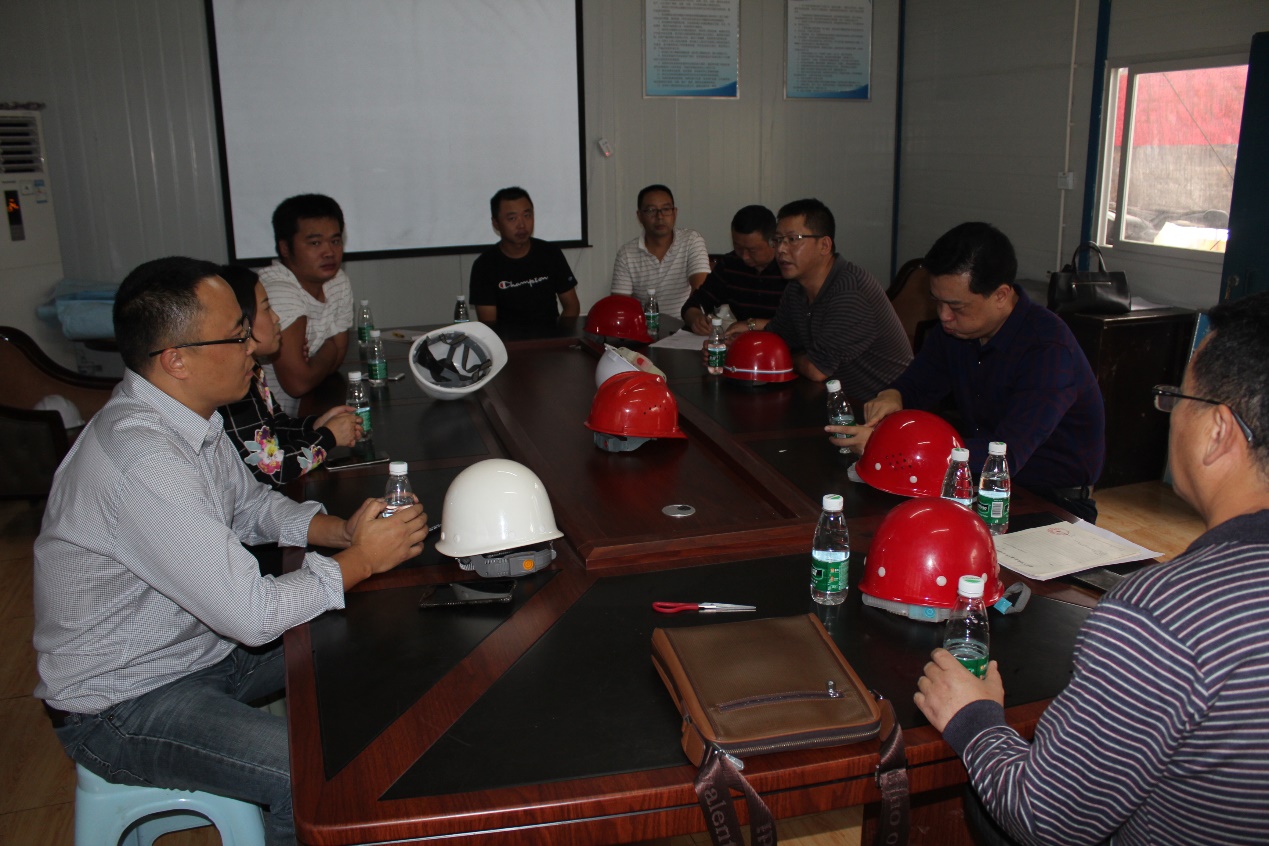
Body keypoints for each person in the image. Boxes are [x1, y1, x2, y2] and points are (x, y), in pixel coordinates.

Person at [33, 256, 428, 845]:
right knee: (317, 775)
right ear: (177, 359)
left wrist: (342, 534)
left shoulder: (188, 418)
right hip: (123, 702)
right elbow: (251, 614)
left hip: (201, 652)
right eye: (237, 335)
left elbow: (251, 508)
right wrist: (361, 561)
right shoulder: (141, 457)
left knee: (371, 630)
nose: (252, 348)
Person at [914, 291, 1269, 846]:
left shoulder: (1163, 617)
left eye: (1178, 397)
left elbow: (1046, 819)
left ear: (1219, 431)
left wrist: (974, 717)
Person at [831, 222, 1104, 522]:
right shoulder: (957, 331)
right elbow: (918, 385)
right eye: (937, 302)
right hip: (973, 480)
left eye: (956, 307)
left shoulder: (1048, 351)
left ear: (1001, 295)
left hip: (1049, 500)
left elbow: (1005, 456)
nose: (944, 316)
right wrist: (893, 395)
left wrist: (890, 449)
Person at [729, 198, 910, 395]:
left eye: (793, 239)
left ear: (824, 245)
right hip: (832, 398)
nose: (780, 249)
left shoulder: (850, 292)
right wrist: (734, 346)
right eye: (778, 240)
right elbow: (777, 337)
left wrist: (782, 356)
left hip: (880, 405)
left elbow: (816, 370)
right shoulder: (796, 288)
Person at [217, 264, 362, 489]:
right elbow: (272, 471)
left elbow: (275, 428)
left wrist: (316, 425)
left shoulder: (253, 368)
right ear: (241, 319)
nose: (277, 318)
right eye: (267, 309)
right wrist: (328, 437)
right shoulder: (231, 382)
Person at [259, 193, 354, 415]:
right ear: (285, 248)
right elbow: (297, 384)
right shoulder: (278, 290)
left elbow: (337, 361)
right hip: (269, 422)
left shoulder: (337, 281)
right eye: (315, 243)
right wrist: (329, 346)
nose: (329, 252)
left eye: (335, 241)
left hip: (304, 410)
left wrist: (315, 362)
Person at [469, 187, 581, 323]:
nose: (521, 225)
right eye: (512, 218)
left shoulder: (550, 253)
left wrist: (561, 334)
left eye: (527, 215)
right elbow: (489, 324)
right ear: (496, 223)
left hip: (550, 335)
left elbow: (572, 306)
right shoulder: (484, 266)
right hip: (506, 337)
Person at [680, 205, 786, 335]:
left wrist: (751, 325)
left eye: (752, 250)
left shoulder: (789, 267)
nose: (744, 256)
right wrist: (696, 319)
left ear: (773, 241)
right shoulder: (730, 264)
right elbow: (695, 303)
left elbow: (796, 324)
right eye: (738, 247)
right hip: (739, 342)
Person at [610, 183, 711, 320]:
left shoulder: (691, 240)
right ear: (640, 216)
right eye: (651, 210)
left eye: (666, 209)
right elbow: (620, 306)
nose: (660, 216)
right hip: (648, 327)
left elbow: (700, 288)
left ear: (675, 213)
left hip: (686, 324)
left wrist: (693, 319)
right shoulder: (626, 254)